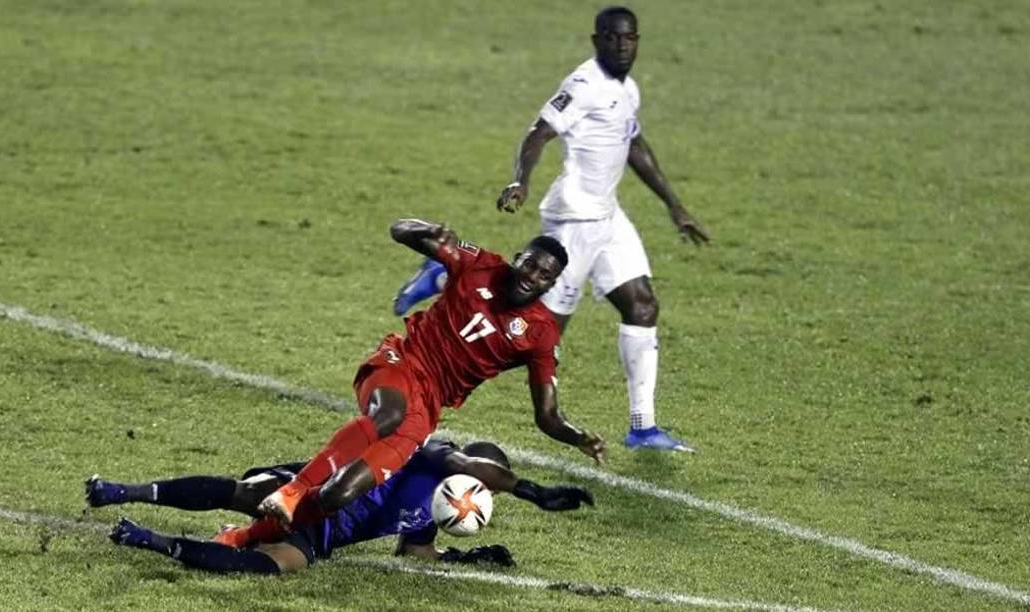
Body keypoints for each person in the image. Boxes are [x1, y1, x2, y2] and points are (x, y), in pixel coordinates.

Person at [392, 7, 708, 452]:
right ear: (597, 40)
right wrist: (520, 179)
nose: (622, 47)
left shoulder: (627, 89)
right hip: (574, 217)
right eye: (613, 39)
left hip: (608, 216)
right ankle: (444, 276)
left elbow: (633, 143)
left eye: (630, 39)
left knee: (642, 306)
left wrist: (675, 206)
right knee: (534, 330)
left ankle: (642, 427)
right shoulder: (582, 85)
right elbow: (538, 133)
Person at [253, 219, 604, 532]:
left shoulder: (541, 334)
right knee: (389, 414)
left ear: (552, 284)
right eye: (530, 265)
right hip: (402, 361)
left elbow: (547, 415)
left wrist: (578, 438)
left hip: (428, 406)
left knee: (336, 496)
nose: (532, 277)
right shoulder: (479, 264)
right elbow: (398, 229)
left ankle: (244, 533)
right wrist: (426, 231)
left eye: (545, 275)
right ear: (518, 258)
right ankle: (291, 489)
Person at [92, 438, 594, 573]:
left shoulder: (434, 512)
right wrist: (531, 491)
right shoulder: (433, 456)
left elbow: (415, 552)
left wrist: (464, 558)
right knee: (249, 496)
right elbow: (468, 463)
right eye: (481, 479)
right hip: (311, 490)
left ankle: (151, 540)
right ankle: (123, 489)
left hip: (322, 537)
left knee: (273, 568)